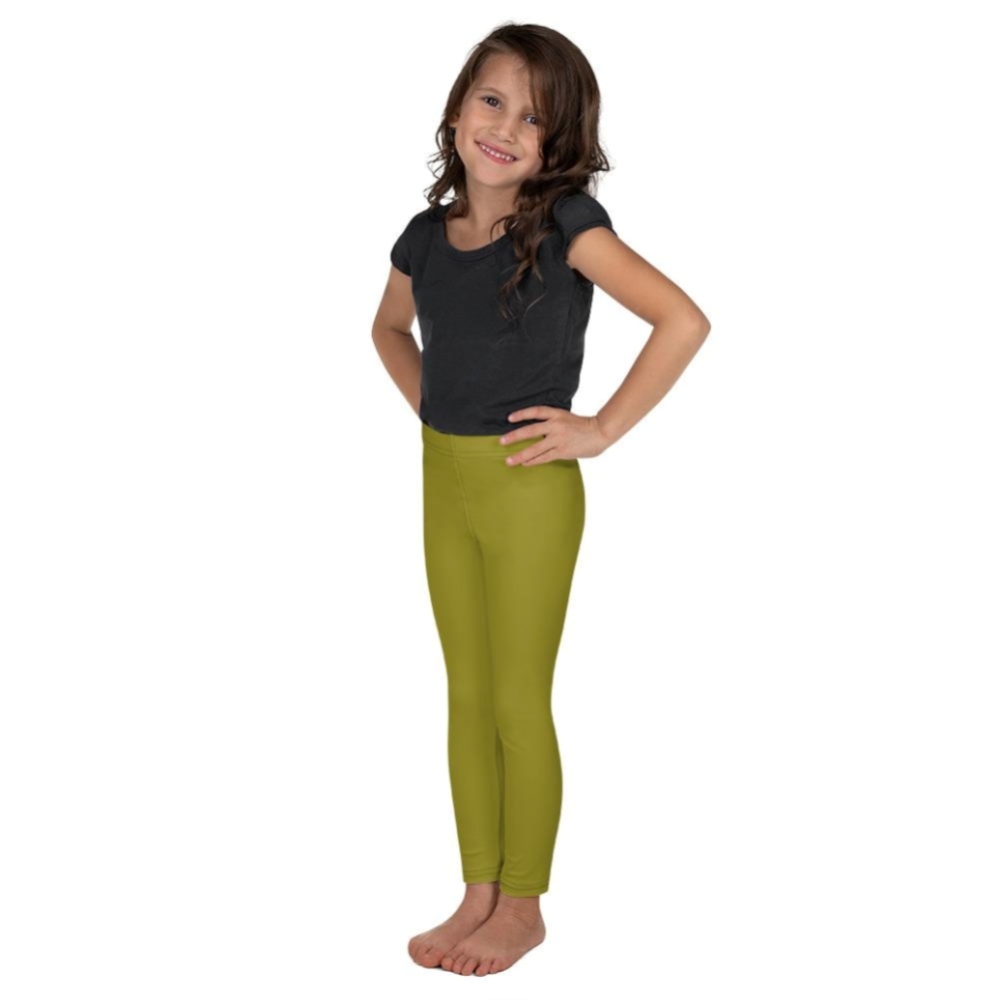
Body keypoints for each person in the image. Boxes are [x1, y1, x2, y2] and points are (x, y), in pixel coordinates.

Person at [372, 23, 711, 976]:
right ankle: (477, 888)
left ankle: (522, 905)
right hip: (444, 481)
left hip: (530, 490)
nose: (508, 129)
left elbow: (682, 320)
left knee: (519, 698)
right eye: (493, 101)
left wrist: (599, 428)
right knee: (466, 696)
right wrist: (436, 408)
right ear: (456, 108)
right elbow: (388, 329)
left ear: (560, 144)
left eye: (536, 119)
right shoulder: (423, 237)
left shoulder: (567, 225)